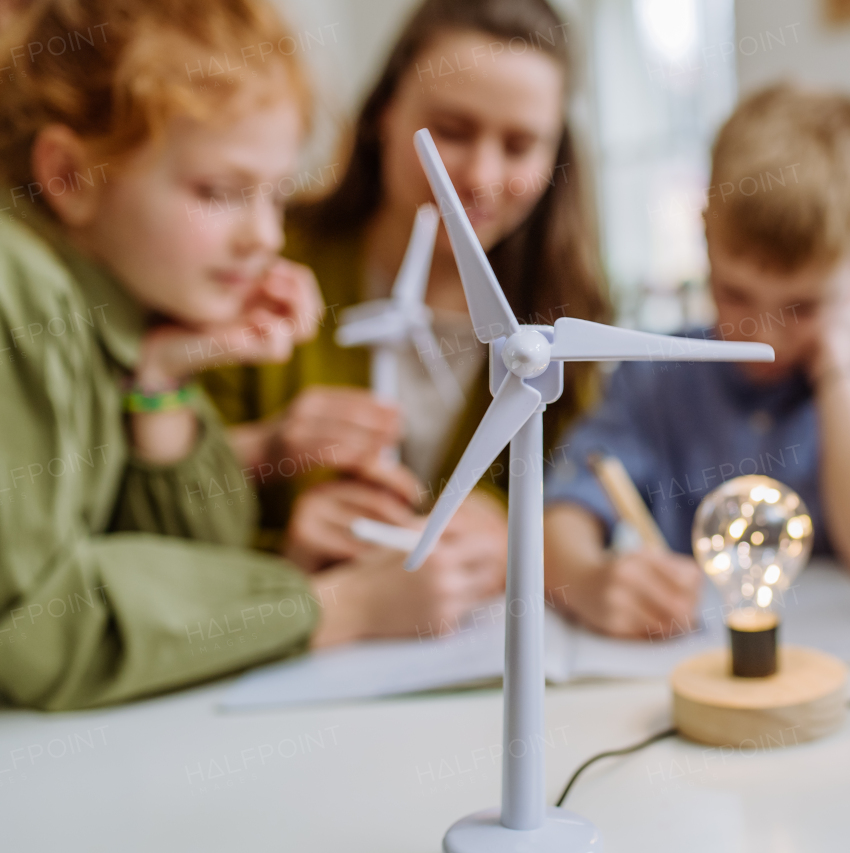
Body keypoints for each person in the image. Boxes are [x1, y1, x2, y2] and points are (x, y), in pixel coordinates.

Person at [0, 0, 497, 711]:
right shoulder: (21, 292)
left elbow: (185, 557)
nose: (264, 236)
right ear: (70, 177)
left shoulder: (123, 312)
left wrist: (161, 379)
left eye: (274, 194)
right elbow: (32, 631)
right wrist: (334, 607)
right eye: (221, 192)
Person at [201, 0, 607, 579]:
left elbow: (591, 483)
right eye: (451, 132)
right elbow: (153, 488)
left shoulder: (567, 313)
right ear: (385, 113)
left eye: (519, 146)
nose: (479, 179)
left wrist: (520, 536)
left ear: (555, 156)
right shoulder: (254, 266)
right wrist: (277, 553)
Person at [543, 84, 850, 639]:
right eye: (735, 294)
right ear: (705, 238)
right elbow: (559, 515)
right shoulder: (655, 376)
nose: (762, 335)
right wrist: (591, 580)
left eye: (802, 307)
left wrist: (835, 367)